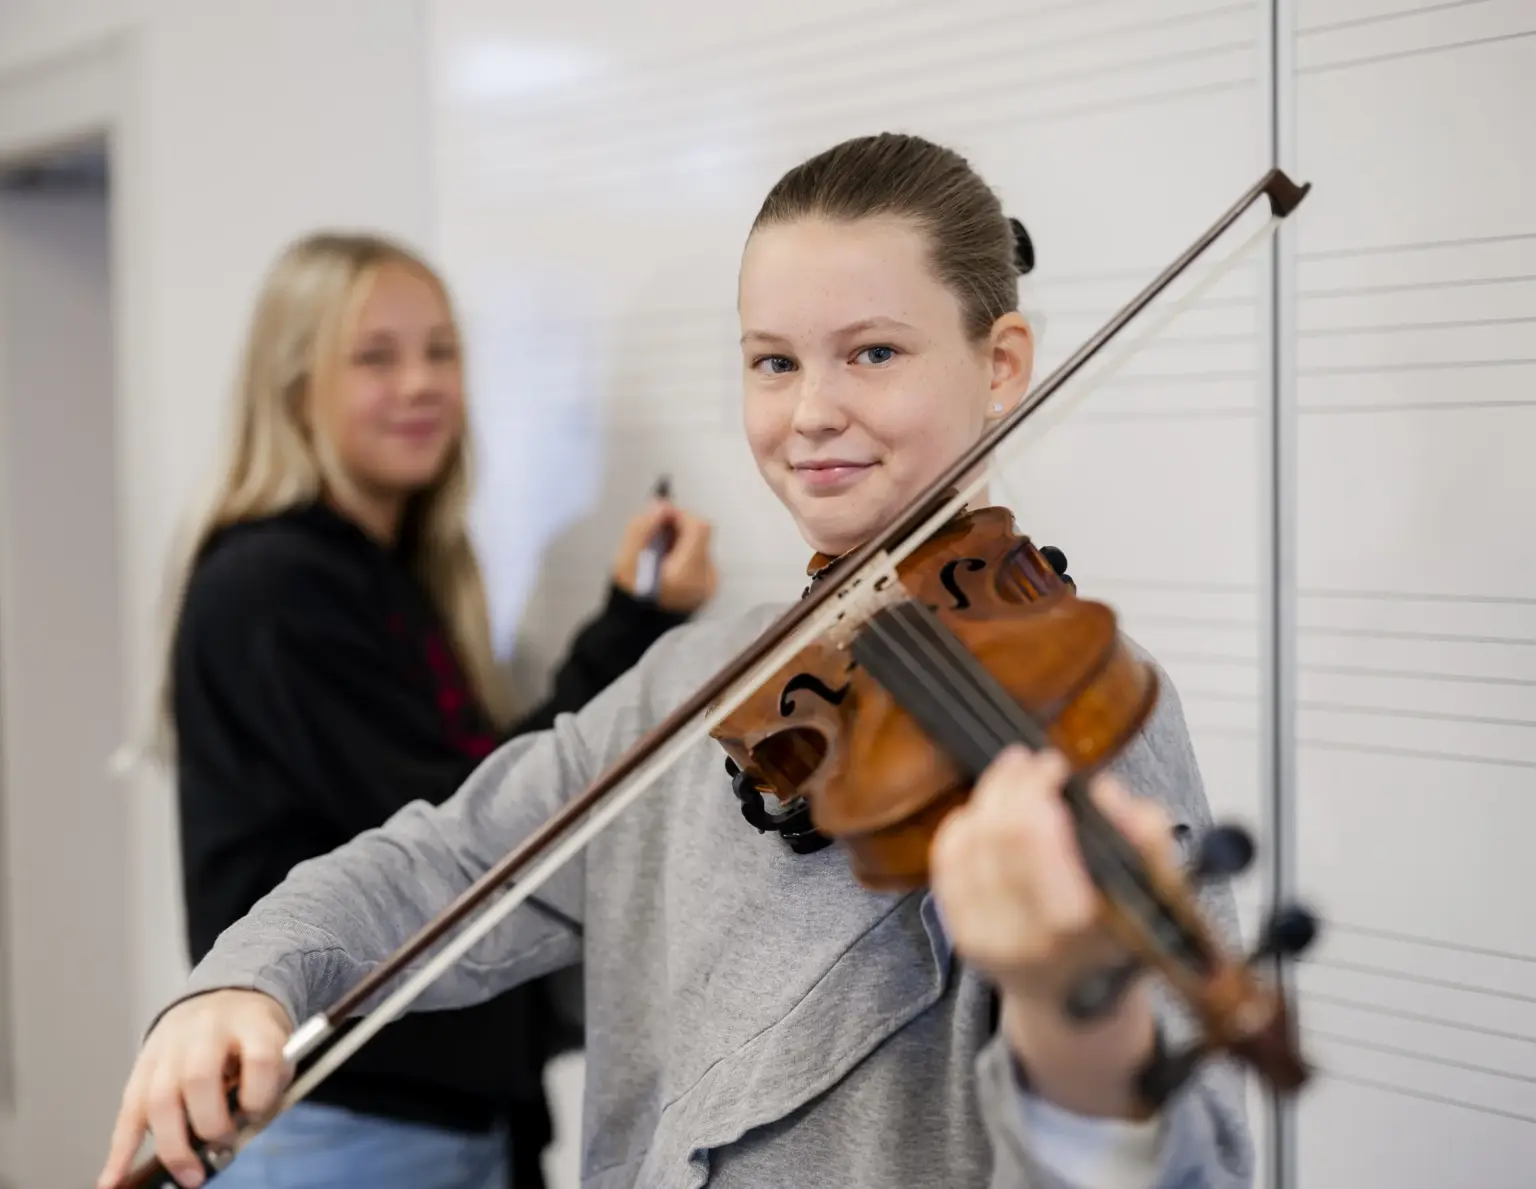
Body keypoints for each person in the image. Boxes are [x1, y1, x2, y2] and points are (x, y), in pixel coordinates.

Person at [100, 134, 1253, 1189]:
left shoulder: (1085, 713)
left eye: (874, 353)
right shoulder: (699, 680)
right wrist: (250, 974)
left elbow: (1187, 1161)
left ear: (1002, 364)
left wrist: (1085, 1040)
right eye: (772, 362)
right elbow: (439, 861)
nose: (811, 412)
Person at [134, 231, 718, 1189]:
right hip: (355, 1126)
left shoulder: (394, 574)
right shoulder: (277, 585)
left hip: (433, 1116)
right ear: (293, 388)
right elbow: (468, 830)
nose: (422, 384)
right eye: (376, 356)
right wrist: (632, 626)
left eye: (441, 350)